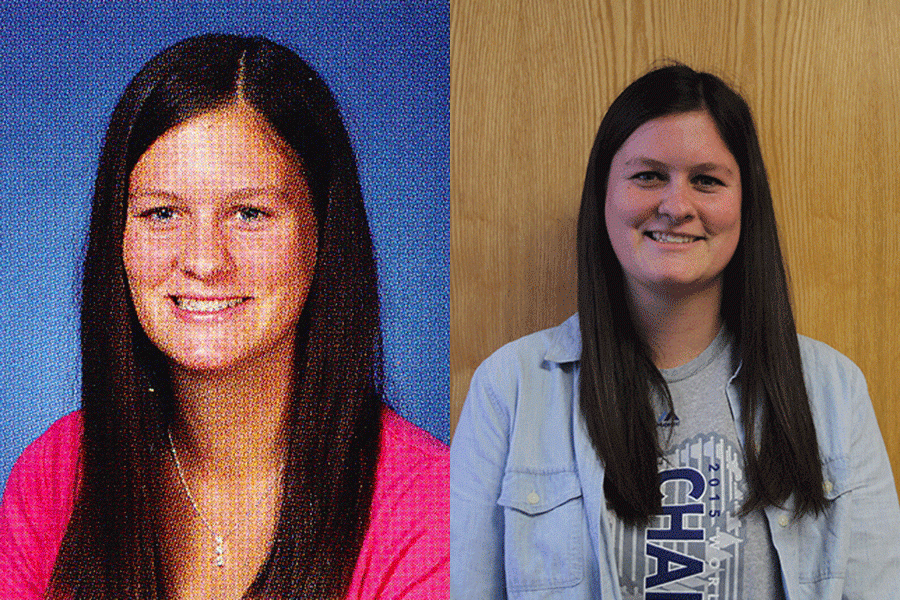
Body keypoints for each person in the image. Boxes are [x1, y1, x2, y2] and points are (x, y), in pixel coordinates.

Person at [0, 33, 448, 599]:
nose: (205, 260)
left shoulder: (428, 506)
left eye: (249, 213)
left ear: (324, 234)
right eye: (162, 213)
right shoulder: (56, 475)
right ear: (117, 237)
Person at [451, 64, 900, 599]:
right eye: (649, 176)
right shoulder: (511, 388)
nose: (676, 206)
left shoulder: (833, 391)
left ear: (744, 204)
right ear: (604, 196)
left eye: (706, 180)